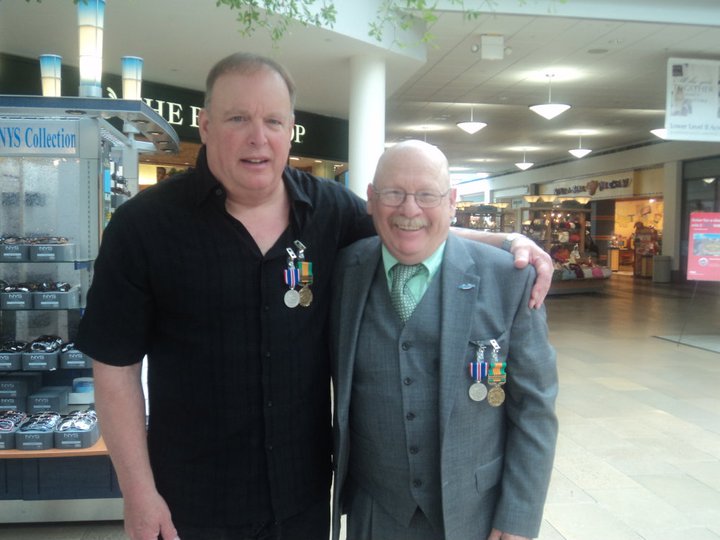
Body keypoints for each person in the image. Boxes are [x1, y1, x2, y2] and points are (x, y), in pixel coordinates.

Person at [75, 53, 553, 540]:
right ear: (206, 124)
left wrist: (510, 243)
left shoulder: (329, 212)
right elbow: (114, 369)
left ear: (290, 130)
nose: (257, 137)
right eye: (238, 118)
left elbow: (410, 226)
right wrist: (138, 493)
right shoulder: (143, 226)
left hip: (304, 502)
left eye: (273, 121)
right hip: (191, 504)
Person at [329, 140, 559, 540]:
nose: (409, 209)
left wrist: (519, 516)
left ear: (452, 202)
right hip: (375, 513)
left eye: (427, 195)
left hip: (476, 516)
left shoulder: (510, 280)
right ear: (370, 199)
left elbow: (534, 408)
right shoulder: (345, 269)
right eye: (393, 193)